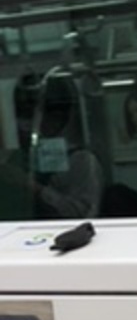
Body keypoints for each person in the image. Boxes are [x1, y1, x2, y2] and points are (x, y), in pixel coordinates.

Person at [0, 75, 103, 219]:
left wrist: (32, 187)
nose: (25, 124)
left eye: (32, 115)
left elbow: (84, 216)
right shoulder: (15, 160)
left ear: (59, 118)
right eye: (23, 115)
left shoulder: (82, 161)